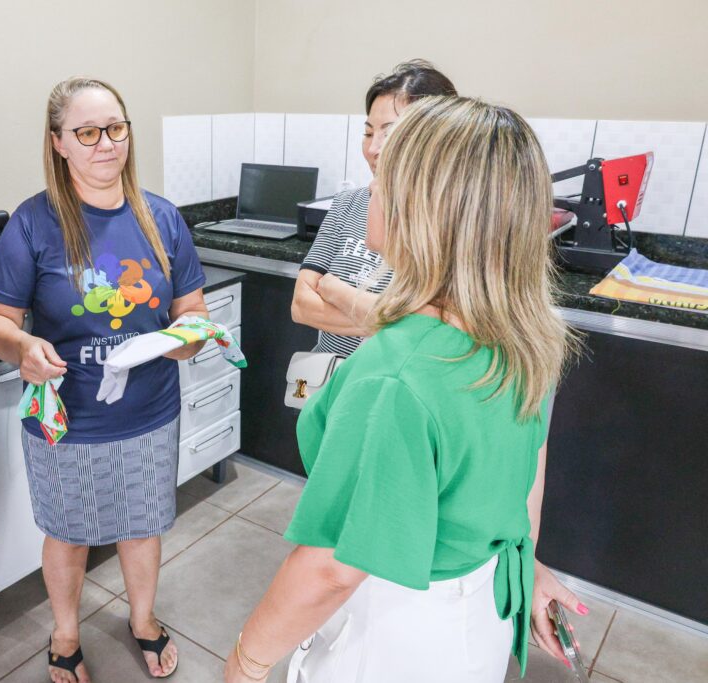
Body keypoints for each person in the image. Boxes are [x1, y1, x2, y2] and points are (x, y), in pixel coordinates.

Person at [225, 97, 586, 683]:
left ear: (423, 211)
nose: (371, 177)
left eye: (386, 172)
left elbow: (332, 569)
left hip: (399, 629)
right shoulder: (526, 335)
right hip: (482, 610)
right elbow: (525, 477)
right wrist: (525, 558)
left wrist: (247, 660)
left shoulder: (396, 377)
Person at [0, 77, 208, 683]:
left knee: (143, 526)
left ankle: (143, 620)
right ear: (59, 143)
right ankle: (65, 631)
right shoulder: (33, 223)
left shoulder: (161, 218)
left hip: (149, 410)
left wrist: (188, 338)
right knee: (68, 534)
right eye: (87, 132)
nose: (106, 144)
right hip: (66, 418)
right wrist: (23, 346)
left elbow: (193, 310)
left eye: (116, 128)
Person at [291, 60, 457, 357]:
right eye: (368, 133)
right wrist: (389, 319)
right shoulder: (348, 203)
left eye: (389, 133)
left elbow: (438, 330)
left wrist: (334, 290)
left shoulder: (455, 225)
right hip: (325, 377)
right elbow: (302, 306)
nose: (373, 149)